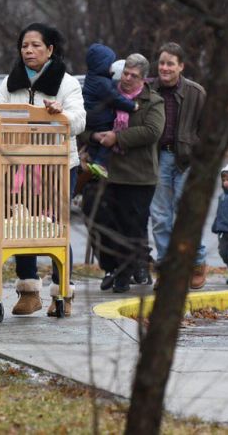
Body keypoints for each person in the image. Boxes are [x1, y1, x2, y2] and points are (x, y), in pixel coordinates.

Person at [0, 22, 86, 316]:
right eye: (24, 46)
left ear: (50, 50)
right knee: (21, 225)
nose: (29, 51)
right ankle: (29, 292)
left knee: (56, 227)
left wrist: (61, 116)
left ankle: (63, 293)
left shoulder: (67, 83)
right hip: (20, 165)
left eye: (35, 45)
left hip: (59, 165)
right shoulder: (11, 82)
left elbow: (80, 119)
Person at [80, 53, 165, 292]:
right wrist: (95, 136)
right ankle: (111, 266)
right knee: (94, 215)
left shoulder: (152, 101)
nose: (127, 78)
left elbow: (152, 131)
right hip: (104, 171)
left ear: (143, 78)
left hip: (138, 175)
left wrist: (117, 137)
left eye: (134, 76)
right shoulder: (107, 94)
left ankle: (126, 272)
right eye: (125, 73)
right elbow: (84, 124)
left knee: (132, 226)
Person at [149, 42, 208, 289]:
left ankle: (197, 261)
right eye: (162, 63)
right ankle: (165, 267)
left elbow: (207, 130)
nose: (165, 68)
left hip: (186, 159)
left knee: (184, 213)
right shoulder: (149, 90)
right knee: (160, 215)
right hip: (157, 158)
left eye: (170, 63)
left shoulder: (196, 93)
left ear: (181, 67)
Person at [82, 43, 137, 177]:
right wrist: (132, 105)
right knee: (109, 134)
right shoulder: (102, 83)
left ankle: (92, 160)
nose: (112, 67)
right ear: (102, 64)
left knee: (97, 140)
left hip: (89, 115)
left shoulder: (92, 77)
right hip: (99, 117)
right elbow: (115, 98)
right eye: (110, 63)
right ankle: (100, 164)